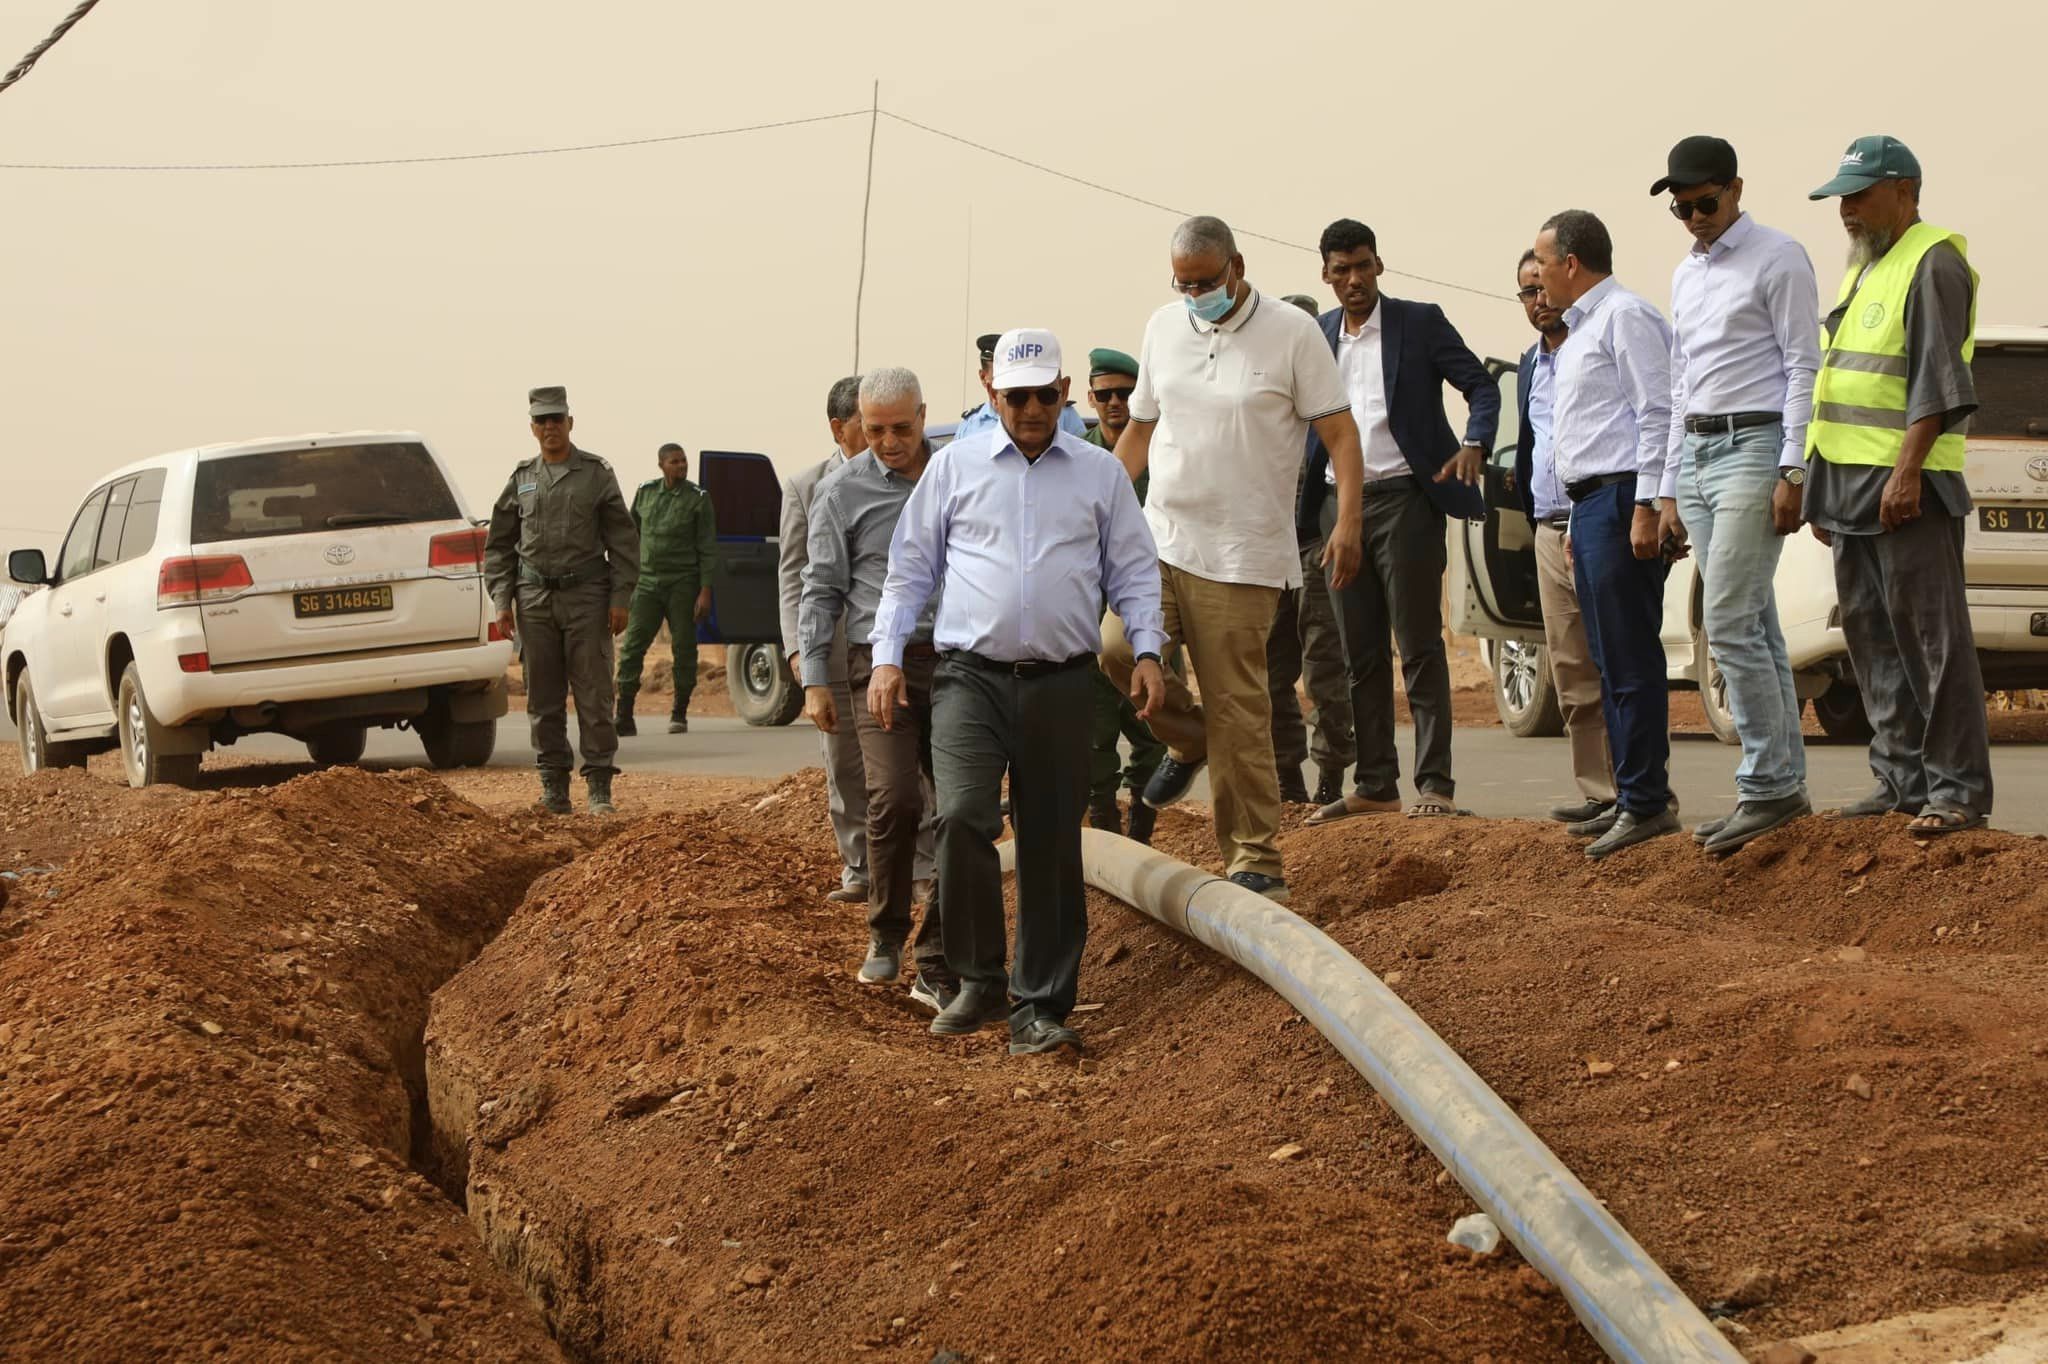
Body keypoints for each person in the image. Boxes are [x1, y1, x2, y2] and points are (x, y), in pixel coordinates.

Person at [872, 329, 1167, 1056]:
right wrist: (885, 657)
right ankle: (978, 979)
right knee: (963, 817)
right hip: (969, 678)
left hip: (1062, 682)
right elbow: (909, 569)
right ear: (991, 392)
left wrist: (1148, 650)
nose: (1031, 409)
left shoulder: (1099, 474)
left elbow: (1133, 569)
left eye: (1043, 395)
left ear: (1063, 392)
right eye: (1015, 396)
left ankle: (1040, 1004)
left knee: (1050, 839)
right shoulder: (956, 467)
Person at [1100, 216, 1366, 903]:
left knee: (1238, 707)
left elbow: (1341, 434)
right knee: (1115, 647)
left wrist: (1348, 521)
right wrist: (1097, 509)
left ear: (1237, 268)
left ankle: (1255, 860)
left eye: (1205, 283)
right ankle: (1189, 739)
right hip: (1162, 538)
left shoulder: (1293, 333)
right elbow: (1140, 429)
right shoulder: (1163, 327)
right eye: (1183, 285)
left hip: (1243, 554)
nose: (1195, 296)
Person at [1803, 135, 1991, 835]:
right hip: (1849, 488)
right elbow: (1837, 385)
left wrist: (1907, 471)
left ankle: (1956, 791)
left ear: (1905, 191)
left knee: (1933, 645)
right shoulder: (1866, 267)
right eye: (1840, 198)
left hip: (1906, 491)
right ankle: (1900, 781)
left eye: (1859, 195)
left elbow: (1938, 382)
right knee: (1874, 643)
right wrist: (1821, 487)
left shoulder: (1933, 261)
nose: (1846, 209)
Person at [1651, 136, 1823, 854]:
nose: (1695, 217)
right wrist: (1667, 486)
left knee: (1725, 618)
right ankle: (1782, 784)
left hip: (1755, 447)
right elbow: (1680, 382)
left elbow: (1803, 365)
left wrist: (1792, 468)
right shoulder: (1685, 274)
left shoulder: (1779, 257)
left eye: (1706, 202)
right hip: (1697, 453)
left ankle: (1766, 786)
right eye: (1683, 207)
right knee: (1755, 622)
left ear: (1736, 189)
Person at [1298, 219, 1500, 826]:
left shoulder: (1419, 322)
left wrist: (1475, 442)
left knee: (1418, 647)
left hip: (1407, 501)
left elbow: (1481, 387)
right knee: (1358, 654)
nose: (1354, 279)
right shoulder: (1315, 337)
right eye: (1341, 270)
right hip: (1337, 509)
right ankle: (1375, 784)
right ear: (1326, 275)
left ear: (1379, 265)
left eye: (1363, 265)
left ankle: (1434, 783)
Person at [799, 367, 953, 1012]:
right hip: (878, 667)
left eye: (901, 429)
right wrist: (815, 677)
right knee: (894, 798)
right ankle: (886, 932)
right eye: (875, 430)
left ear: (923, 416)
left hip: (957, 664)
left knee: (962, 810)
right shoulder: (842, 492)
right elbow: (820, 588)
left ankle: (937, 949)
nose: (888, 443)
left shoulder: (958, 473)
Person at [1530, 211, 1680, 859]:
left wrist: (1648, 504)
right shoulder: (1581, 329)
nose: (1537, 278)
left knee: (1630, 656)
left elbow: (1658, 411)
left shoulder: (1625, 316)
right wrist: (1576, 518)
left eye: (1542, 264)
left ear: (1570, 263)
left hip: (1622, 499)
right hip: (1590, 507)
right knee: (1607, 661)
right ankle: (1627, 796)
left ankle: (1647, 802)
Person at [484, 386, 639, 816]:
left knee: (594, 693)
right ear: (532, 427)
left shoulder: (595, 473)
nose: (550, 427)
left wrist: (621, 597)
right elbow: (499, 546)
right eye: (542, 420)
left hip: (587, 596)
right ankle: (554, 786)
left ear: (570, 422)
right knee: (543, 696)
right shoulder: (521, 478)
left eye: (557, 419)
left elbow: (623, 540)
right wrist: (502, 599)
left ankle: (599, 786)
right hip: (534, 599)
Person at [1508, 248, 1616, 825]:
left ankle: (1638, 792)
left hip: (1597, 517)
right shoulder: (1530, 362)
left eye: (1543, 285)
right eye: (1528, 291)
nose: (1539, 299)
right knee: (1571, 669)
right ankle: (1599, 792)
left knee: (1615, 659)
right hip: (1548, 529)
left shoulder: (1591, 345)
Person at [781, 379, 872, 902]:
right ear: (839, 429)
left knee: (907, 766)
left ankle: (919, 867)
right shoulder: (805, 487)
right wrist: (798, 649)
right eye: (865, 423)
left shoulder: (909, 475)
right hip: (831, 647)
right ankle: (859, 868)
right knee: (844, 764)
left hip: (890, 648)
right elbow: (792, 576)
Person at [1269, 291, 1357, 807]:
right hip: (1267, 552)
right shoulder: (1260, 397)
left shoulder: (1333, 398)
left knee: (1324, 670)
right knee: (1268, 673)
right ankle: (1287, 777)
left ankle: (1330, 777)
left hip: (1316, 548)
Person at [1081, 346, 1163, 844]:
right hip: (1088, 617)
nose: (1116, 403)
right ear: (1090, 398)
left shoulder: (1161, 452)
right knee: (1094, 737)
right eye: (1106, 393)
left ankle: (1142, 830)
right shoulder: (1077, 456)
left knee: (1152, 729)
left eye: (1126, 393)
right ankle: (1106, 829)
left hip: (1145, 612)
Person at [614, 443, 717, 737]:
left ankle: (679, 712)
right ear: (661, 465)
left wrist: (705, 590)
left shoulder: (698, 498)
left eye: (683, 461)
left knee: (683, 648)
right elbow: (630, 533)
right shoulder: (646, 492)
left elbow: (707, 547)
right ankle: (624, 714)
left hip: (682, 582)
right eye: (675, 461)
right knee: (632, 647)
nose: (681, 466)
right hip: (647, 582)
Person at [954, 332, 1087, 441]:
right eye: (1016, 397)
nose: (1033, 411)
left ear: (1063, 391)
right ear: (986, 381)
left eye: (1046, 396)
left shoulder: (1065, 415)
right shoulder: (970, 425)